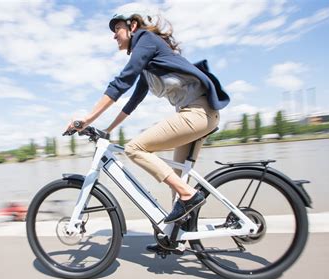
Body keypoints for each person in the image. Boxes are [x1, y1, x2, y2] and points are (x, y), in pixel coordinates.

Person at [66, 10, 229, 244]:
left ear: (133, 26)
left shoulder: (146, 41)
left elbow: (121, 82)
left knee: (135, 149)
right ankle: (175, 237)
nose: (114, 36)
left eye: (117, 30)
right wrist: (107, 130)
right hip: (199, 115)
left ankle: (190, 196)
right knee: (177, 180)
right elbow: (132, 102)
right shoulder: (147, 62)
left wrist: (87, 119)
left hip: (197, 113)